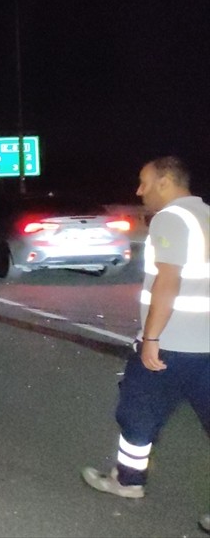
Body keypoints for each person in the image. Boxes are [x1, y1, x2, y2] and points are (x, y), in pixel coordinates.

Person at [81, 156, 209, 532]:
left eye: (144, 182)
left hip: (171, 345)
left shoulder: (170, 219)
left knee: (136, 411)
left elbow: (168, 281)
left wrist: (151, 338)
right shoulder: (205, 215)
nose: (139, 191)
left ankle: (128, 481)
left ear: (165, 182)